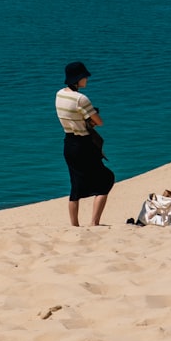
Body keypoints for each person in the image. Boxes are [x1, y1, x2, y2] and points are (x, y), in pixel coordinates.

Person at [57, 61, 114, 226]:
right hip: (83, 145)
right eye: (84, 76)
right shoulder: (81, 98)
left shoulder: (59, 94)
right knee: (106, 180)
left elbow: (70, 114)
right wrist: (91, 115)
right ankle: (94, 223)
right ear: (78, 79)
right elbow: (99, 122)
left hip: (69, 143)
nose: (87, 79)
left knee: (75, 186)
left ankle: (74, 225)